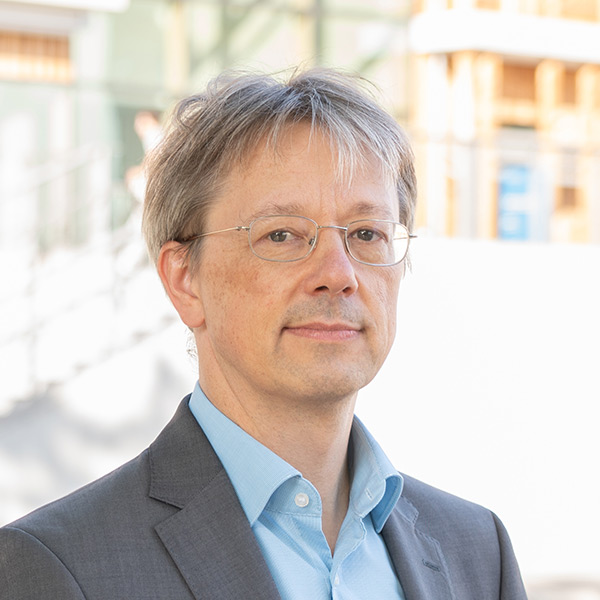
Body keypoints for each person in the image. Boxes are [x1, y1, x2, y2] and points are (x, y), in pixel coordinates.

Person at [0, 68, 528, 599]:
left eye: (366, 233)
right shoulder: (59, 567)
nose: (339, 274)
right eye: (281, 235)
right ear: (185, 280)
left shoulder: (479, 553)